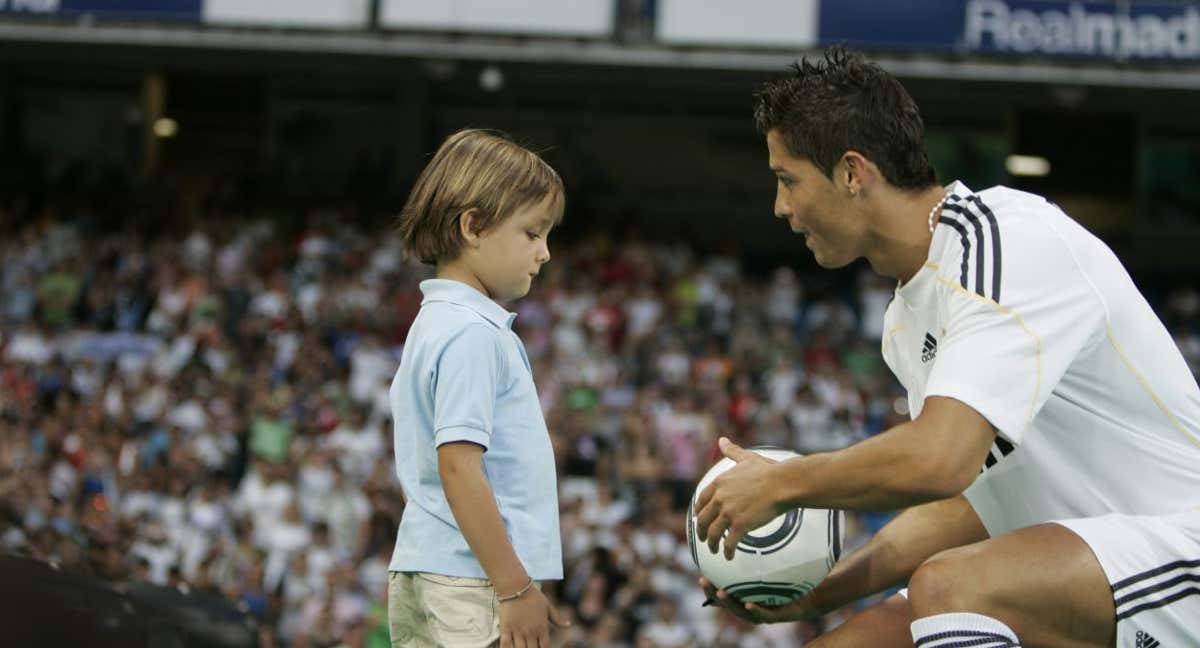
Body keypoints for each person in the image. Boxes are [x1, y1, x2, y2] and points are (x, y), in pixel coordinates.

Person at [694, 47, 1200, 647]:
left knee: (950, 587)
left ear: (853, 173)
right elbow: (970, 504)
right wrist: (816, 596)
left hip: (1178, 547)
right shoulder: (905, 323)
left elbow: (940, 458)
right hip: (1072, 574)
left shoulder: (1005, 242)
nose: (780, 206)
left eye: (787, 180)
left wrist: (781, 483)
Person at [389, 128, 570, 648]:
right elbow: (458, 465)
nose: (545, 253)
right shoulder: (472, 332)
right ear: (472, 226)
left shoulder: (433, 322)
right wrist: (513, 588)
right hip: (473, 578)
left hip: (431, 565)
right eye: (533, 233)